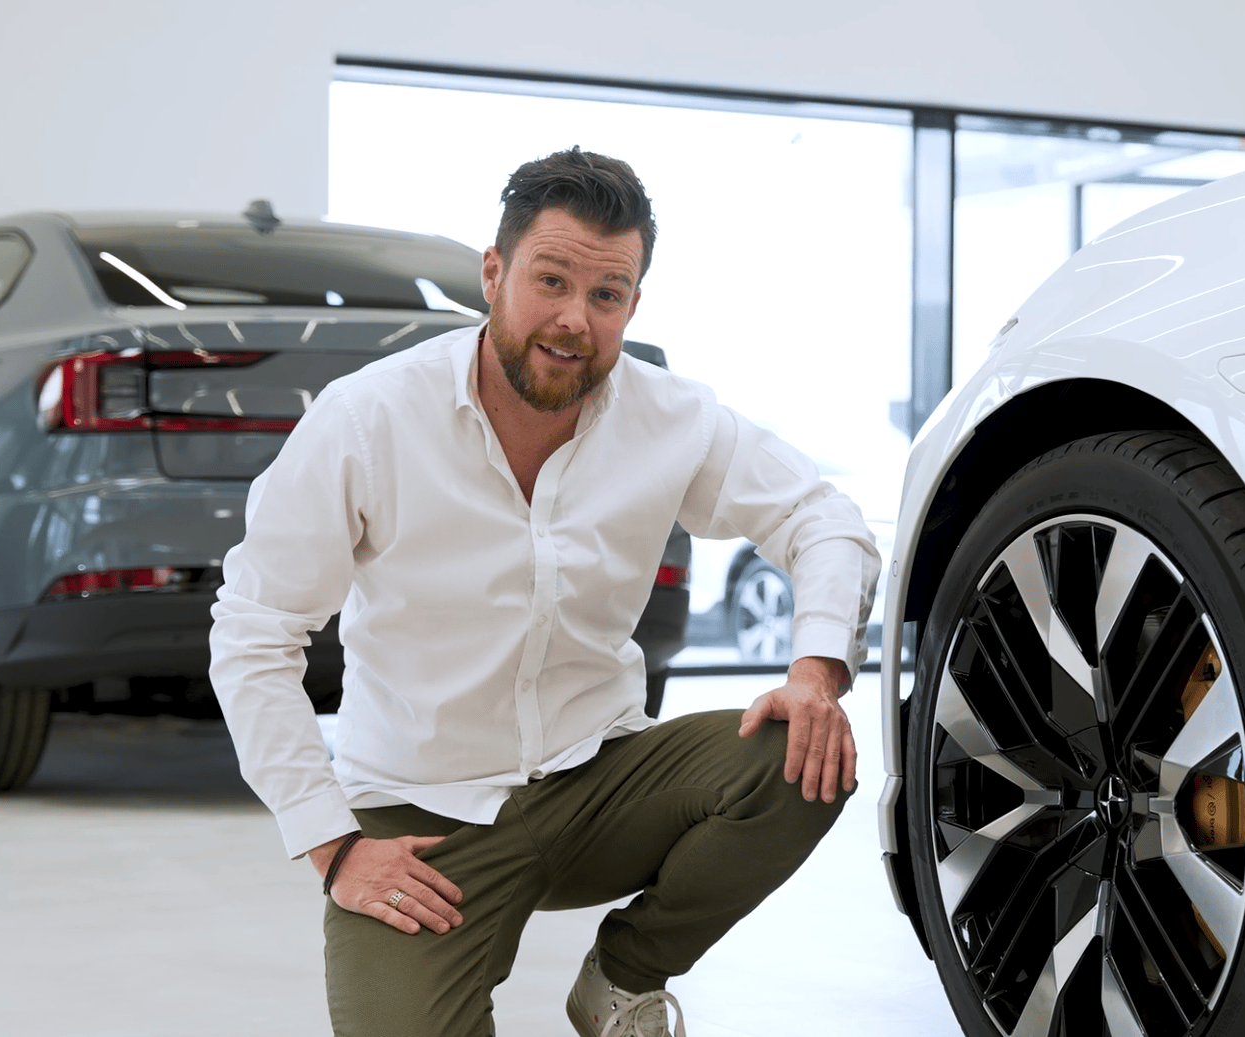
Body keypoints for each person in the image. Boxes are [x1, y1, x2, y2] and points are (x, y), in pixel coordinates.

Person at [209, 147, 880, 1037]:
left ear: (632, 304)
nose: (574, 318)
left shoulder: (669, 416)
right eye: (550, 280)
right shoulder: (368, 419)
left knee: (801, 759)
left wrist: (815, 668)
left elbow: (821, 515)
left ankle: (624, 976)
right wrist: (334, 847)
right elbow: (254, 631)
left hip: (597, 779)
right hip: (424, 813)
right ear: (494, 274)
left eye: (606, 294)